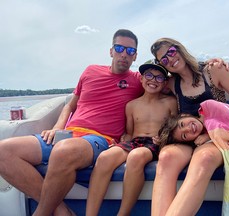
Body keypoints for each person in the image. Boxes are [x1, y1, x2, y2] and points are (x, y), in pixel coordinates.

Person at [0, 29, 144, 216]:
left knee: (63, 151)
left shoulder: (138, 81)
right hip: (67, 134)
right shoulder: (90, 71)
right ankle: (61, 211)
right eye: (119, 48)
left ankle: (42, 213)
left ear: (135, 57)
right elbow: (69, 106)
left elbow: (164, 82)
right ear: (111, 51)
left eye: (130, 51)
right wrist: (57, 127)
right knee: (4, 152)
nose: (124, 54)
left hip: (99, 140)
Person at [150, 38, 229, 215]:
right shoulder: (171, 83)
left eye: (171, 52)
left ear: (178, 48)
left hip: (214, 136)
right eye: (163, 60)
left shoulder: (212, 71)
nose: (170, 59)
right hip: (187, 136)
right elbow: (148, 81)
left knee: (204, 159)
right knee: (167, 156)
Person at [86, 62, 177, 216]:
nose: (153, 80)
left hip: (156, 143)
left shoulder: (170, 102)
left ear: (165, 82)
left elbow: (174, 127)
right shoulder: (131, 105)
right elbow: (130, 133)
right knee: (104, 158)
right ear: (141, 79)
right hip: (135, 141)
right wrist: (121, 142)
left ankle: (123, 213)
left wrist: (164, 139)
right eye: (149, 75)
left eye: (159, 77)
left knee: (136, 157)